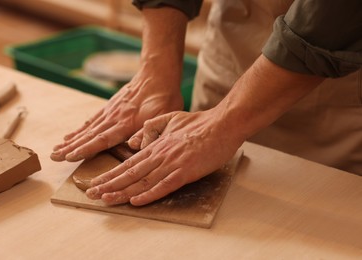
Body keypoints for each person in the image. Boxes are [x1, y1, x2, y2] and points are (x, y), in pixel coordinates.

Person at [51, 0, 362, 206]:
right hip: (235, 36)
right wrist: (156, 67)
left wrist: (226, 121)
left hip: (342, 77)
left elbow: (334, 16)